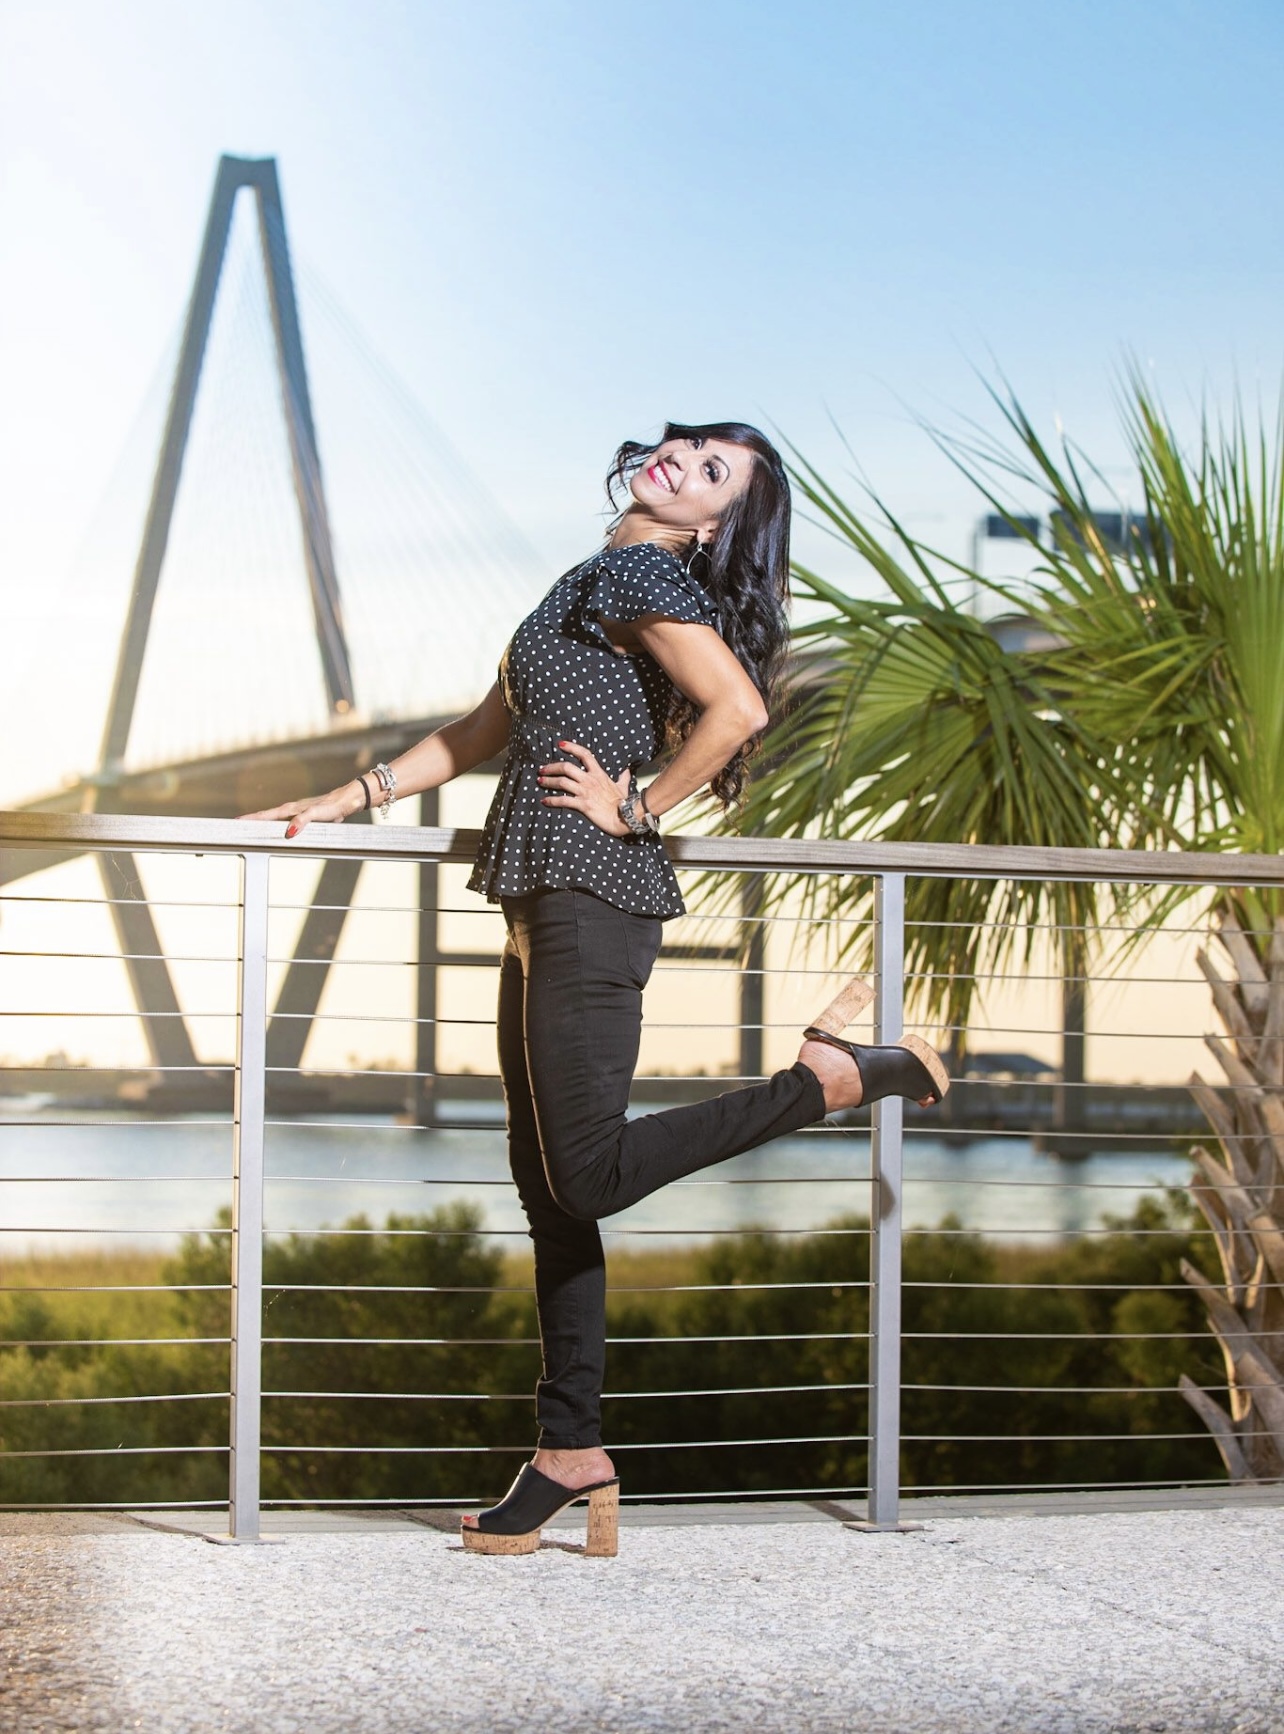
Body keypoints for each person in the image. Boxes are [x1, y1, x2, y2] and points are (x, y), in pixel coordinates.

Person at [247, 421, 948, 1557]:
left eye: (714, 473)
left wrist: (638, 806)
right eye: (693, 445)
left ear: (713, 524)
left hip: (591, 896)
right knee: (552, 1194)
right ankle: (569, 1451)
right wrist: (349, 797)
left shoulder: (642, 575)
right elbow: (482, 731)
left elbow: (739, 711)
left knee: (585, 1172)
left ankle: (826, 1080)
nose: (685, 460)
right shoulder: (593, 576)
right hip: (542, 902)